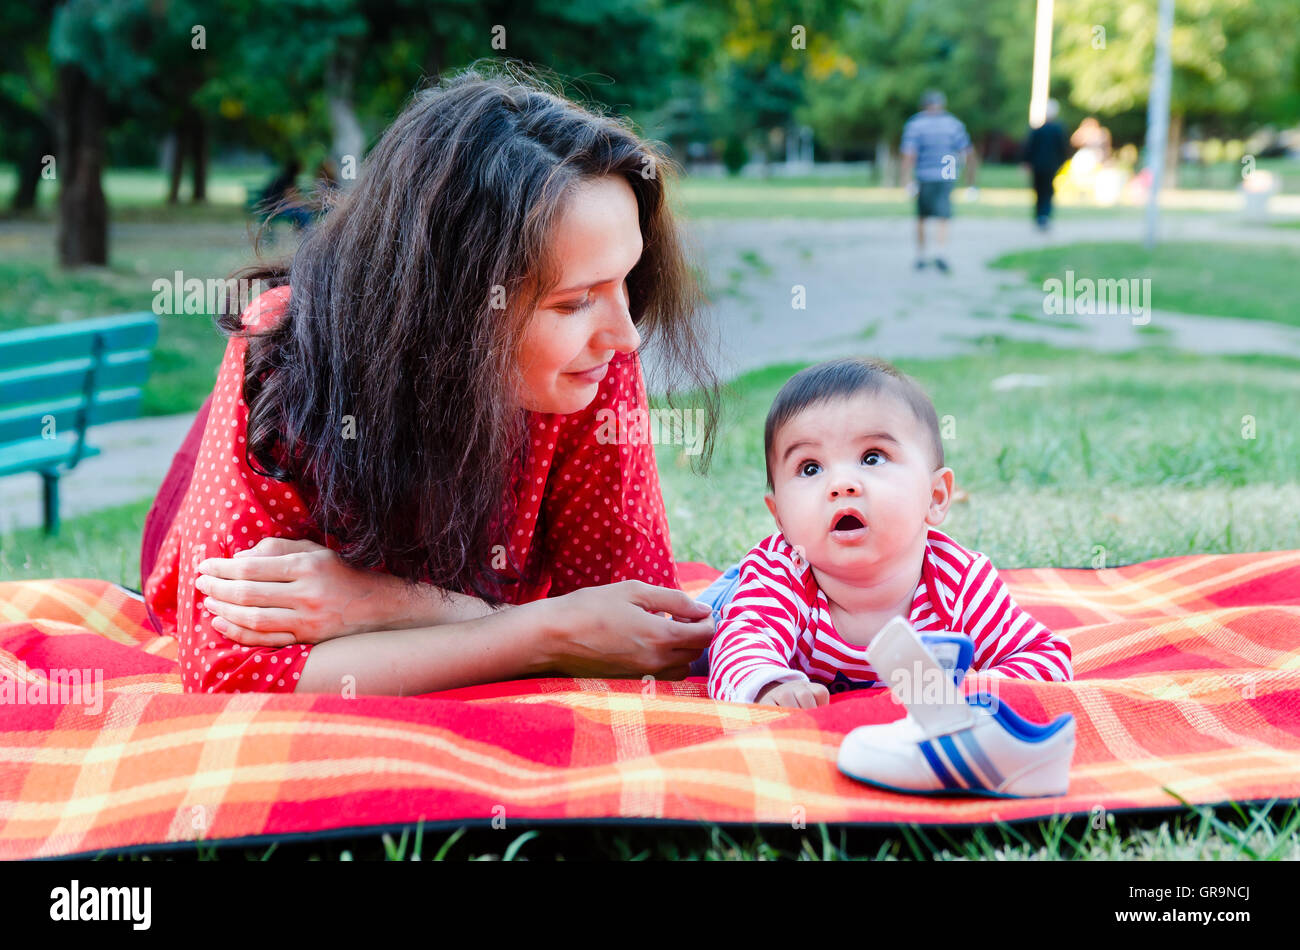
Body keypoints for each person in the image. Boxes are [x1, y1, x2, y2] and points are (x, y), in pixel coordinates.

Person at [141, 62, 721, 696]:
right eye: (571, 301)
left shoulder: (592, 360)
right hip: (192, 526)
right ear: (450, 306)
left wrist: (386, 604)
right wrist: (544, 633)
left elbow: (636, 632)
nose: (626, 335)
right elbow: (230, 668)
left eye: (626, 281)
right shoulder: (289, 350)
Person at [702, 357, 1072, 707]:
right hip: (732, 599)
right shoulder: (780, 575)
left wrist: (967, 691)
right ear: (780, 516)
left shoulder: (958, 581)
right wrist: (770, 685)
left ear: (936, 497)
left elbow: (1044, 658)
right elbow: (741, 648)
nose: (841, 484)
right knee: (697, 637)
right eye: (811, 468)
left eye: (872, 457)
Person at [898, 90, 977, 273]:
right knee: (943, 215)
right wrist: (970, 181)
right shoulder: (953, 124)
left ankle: (921, 255)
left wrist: (906, 179)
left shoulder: (916, 124)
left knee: (922, 216)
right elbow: (967, 152)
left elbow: (909, 154)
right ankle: (940, 253)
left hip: (924, 175)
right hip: (946, 173)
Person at [1021, 100, 1070, 231]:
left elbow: (1028, 148)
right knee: (1047, 190)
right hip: (1050, 166)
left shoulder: (1038, 130)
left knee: (1039, 190)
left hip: (1039, 165)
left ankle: (1040, 215)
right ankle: (1044, 215)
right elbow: (1063, 149)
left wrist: (1026, 162)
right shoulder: (1058, 130)